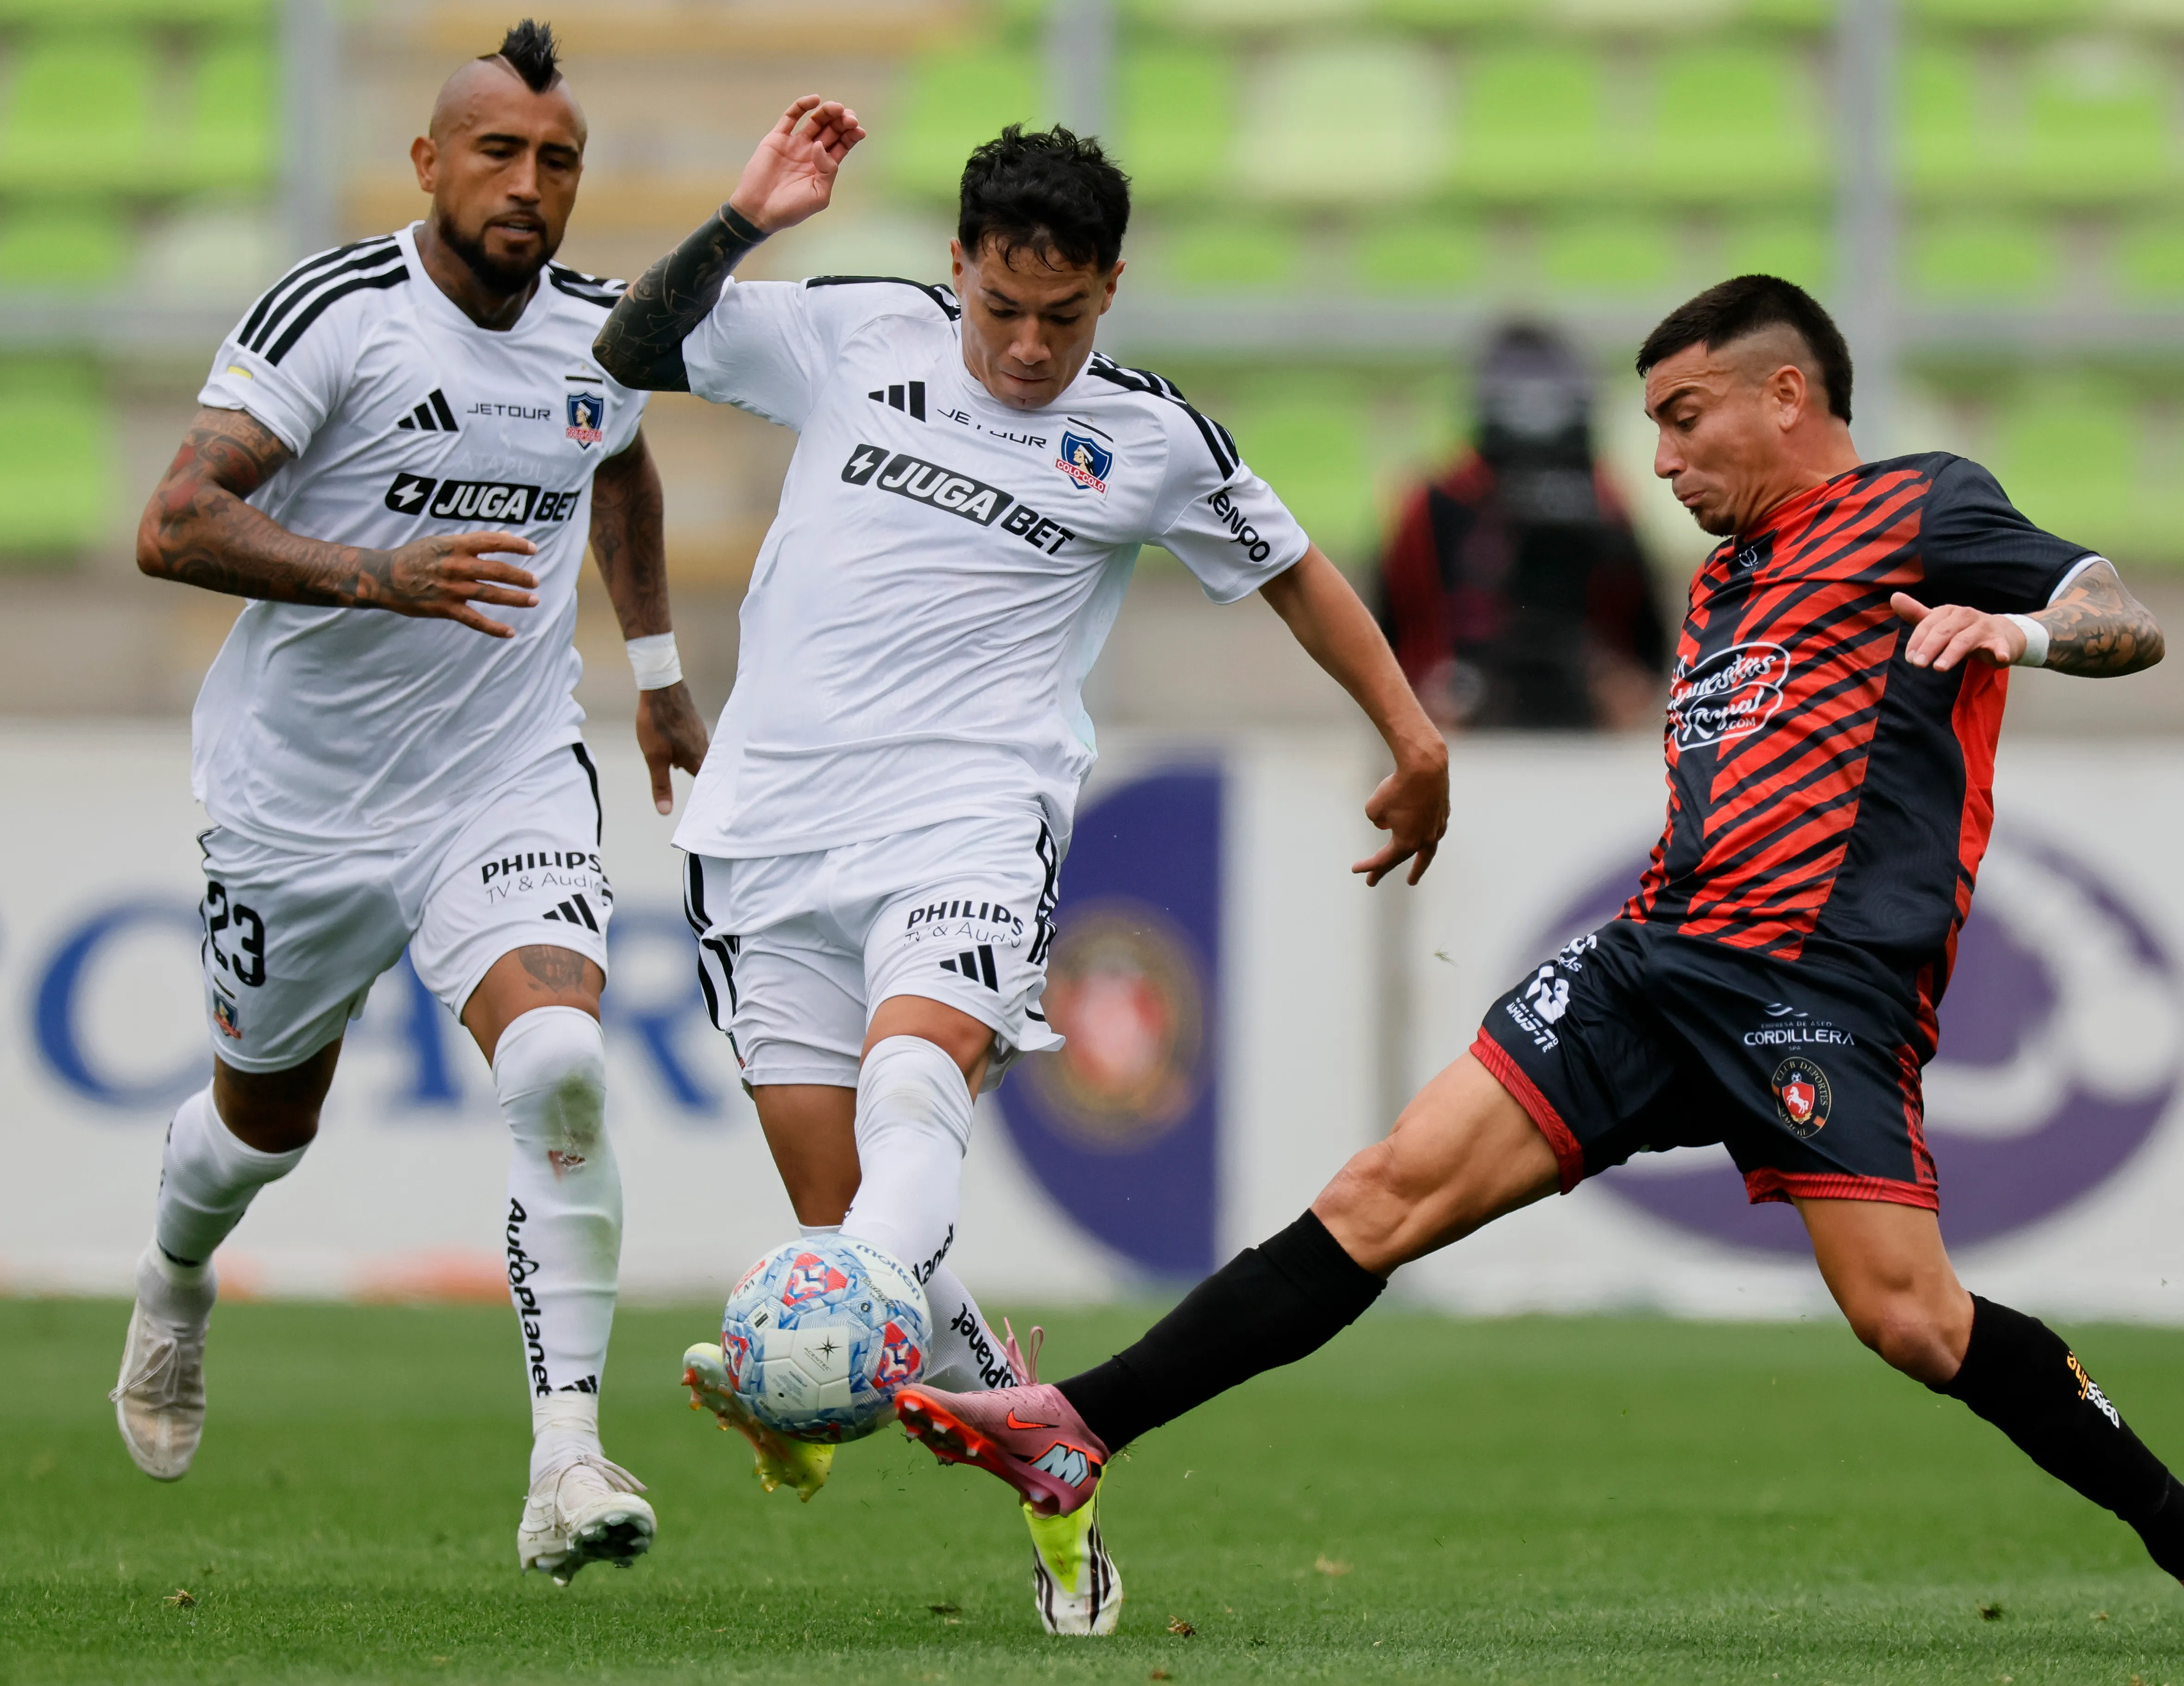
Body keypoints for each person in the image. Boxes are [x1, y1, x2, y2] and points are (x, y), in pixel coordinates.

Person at [892, 274, 2184, 1661]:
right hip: (1649, 967)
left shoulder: (1920, 504)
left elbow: (2122, 618)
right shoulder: (1716, 590)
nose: (1655, 458)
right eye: (1649, 422)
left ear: (1787, 395)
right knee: (1377, 1195)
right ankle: (1078, 1423)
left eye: (1681, 415)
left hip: (1819, 995)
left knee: (1910, 1320)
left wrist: (2017, 629)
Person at [591, 115, 1448, 1634]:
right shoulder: (851, 332)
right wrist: (741, 217)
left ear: (1109, 289)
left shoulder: (1148, 438)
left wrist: (1408, 731)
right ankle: (1042, 1460)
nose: (1027, 345)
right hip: (766, 829)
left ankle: (809, 1364)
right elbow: (630, 348)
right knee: (855, 1233)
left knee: (910, 1104)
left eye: (1062, 315)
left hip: (969, 817)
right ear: (957, 271)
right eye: (1000, 308)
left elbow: (1296, 572)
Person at [114, 21, 709, 1587]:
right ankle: (176, 1275)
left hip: (499, 777)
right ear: (429, 162)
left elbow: (625, 463)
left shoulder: (596, 331)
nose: (527, 186)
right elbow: (173, 522)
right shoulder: (336, 314)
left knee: (564, 1058)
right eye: (497, 152)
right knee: (261, 1128)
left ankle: (565, 1455)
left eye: (557, 159)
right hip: (297, 802)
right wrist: (375, 574)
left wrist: (654, 672)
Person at [1374, 322, 1667, 731]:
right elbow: (1387, 634)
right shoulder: (1436, 503)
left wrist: (1620, 684)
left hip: (1584, 726)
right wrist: (1422, 695)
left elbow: (1646, 644)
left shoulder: (1602, 500)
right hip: (1463, 718)